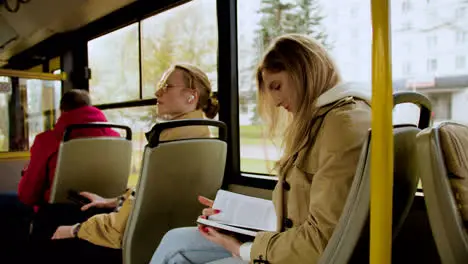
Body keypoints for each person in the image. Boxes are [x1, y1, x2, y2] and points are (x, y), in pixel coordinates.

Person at [149, 34, 372, 264]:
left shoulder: (341, 126)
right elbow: (301, 211)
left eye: (277, 86)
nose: (276, 102)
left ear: (303, 71)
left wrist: (241, 248)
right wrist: (234, 214)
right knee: (174, 240)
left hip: (303, 254)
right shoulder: (324, 120)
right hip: (290, 241)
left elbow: (321, 240)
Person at [43, 64, 219, 262]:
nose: (157, 91)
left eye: (166, 86)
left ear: (191, 97)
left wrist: (75, 230)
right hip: (159, 231)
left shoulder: (168, 145)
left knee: (52, 221)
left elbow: (120, 228)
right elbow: (153, 199)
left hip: (137, 241)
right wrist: (111, 201)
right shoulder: (203, 139)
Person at [17, 89, 120, 209]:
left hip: (59, 213)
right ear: (90, 107)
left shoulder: (46, 141)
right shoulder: (117, 138)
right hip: (106, 208)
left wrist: (26, 173)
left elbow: (28, 196)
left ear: (62, 111)